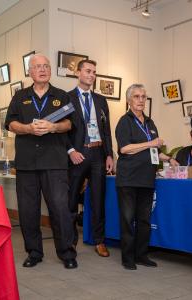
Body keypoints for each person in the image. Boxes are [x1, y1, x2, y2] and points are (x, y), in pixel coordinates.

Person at [5, 54, 77, 269]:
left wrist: (53, 127)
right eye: (37, 67)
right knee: (28, 210)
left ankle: (67, 254)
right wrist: (27, 128)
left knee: (60, 209)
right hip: (27, 163)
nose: (42, 69)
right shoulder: (19, 97)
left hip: (55, 162)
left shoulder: (61, 96)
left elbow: (69, 124)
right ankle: (34, 252)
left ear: (50, 70)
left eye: (46, 66)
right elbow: (10, 123)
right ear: (30, 72)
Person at [115, 84, 178, 270]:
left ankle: (141, 255)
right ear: (129, 100)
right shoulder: (124, 122)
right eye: (136, 96)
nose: (141, 100)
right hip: (128, 179)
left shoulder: (150, 123)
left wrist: (169, 158)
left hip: (147, 180)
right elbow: (124, 149)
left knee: (144, 220)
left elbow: (153, 152)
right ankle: (128, 259)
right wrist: (151, 142)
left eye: (143, 96)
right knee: (127, 220)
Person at [68, 59, 114, 257]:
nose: (91, 75)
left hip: (98, 154)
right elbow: (62, 131)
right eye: (88, 71)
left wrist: (110, 154)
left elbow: (106, 130)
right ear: (78, 73)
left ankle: (99, 241)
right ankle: (69, 242)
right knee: (70, 200)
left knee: (98, 199)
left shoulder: (101, 100)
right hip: (78, 154)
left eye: (94, 72)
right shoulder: (66, 98)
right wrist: (70, 151)